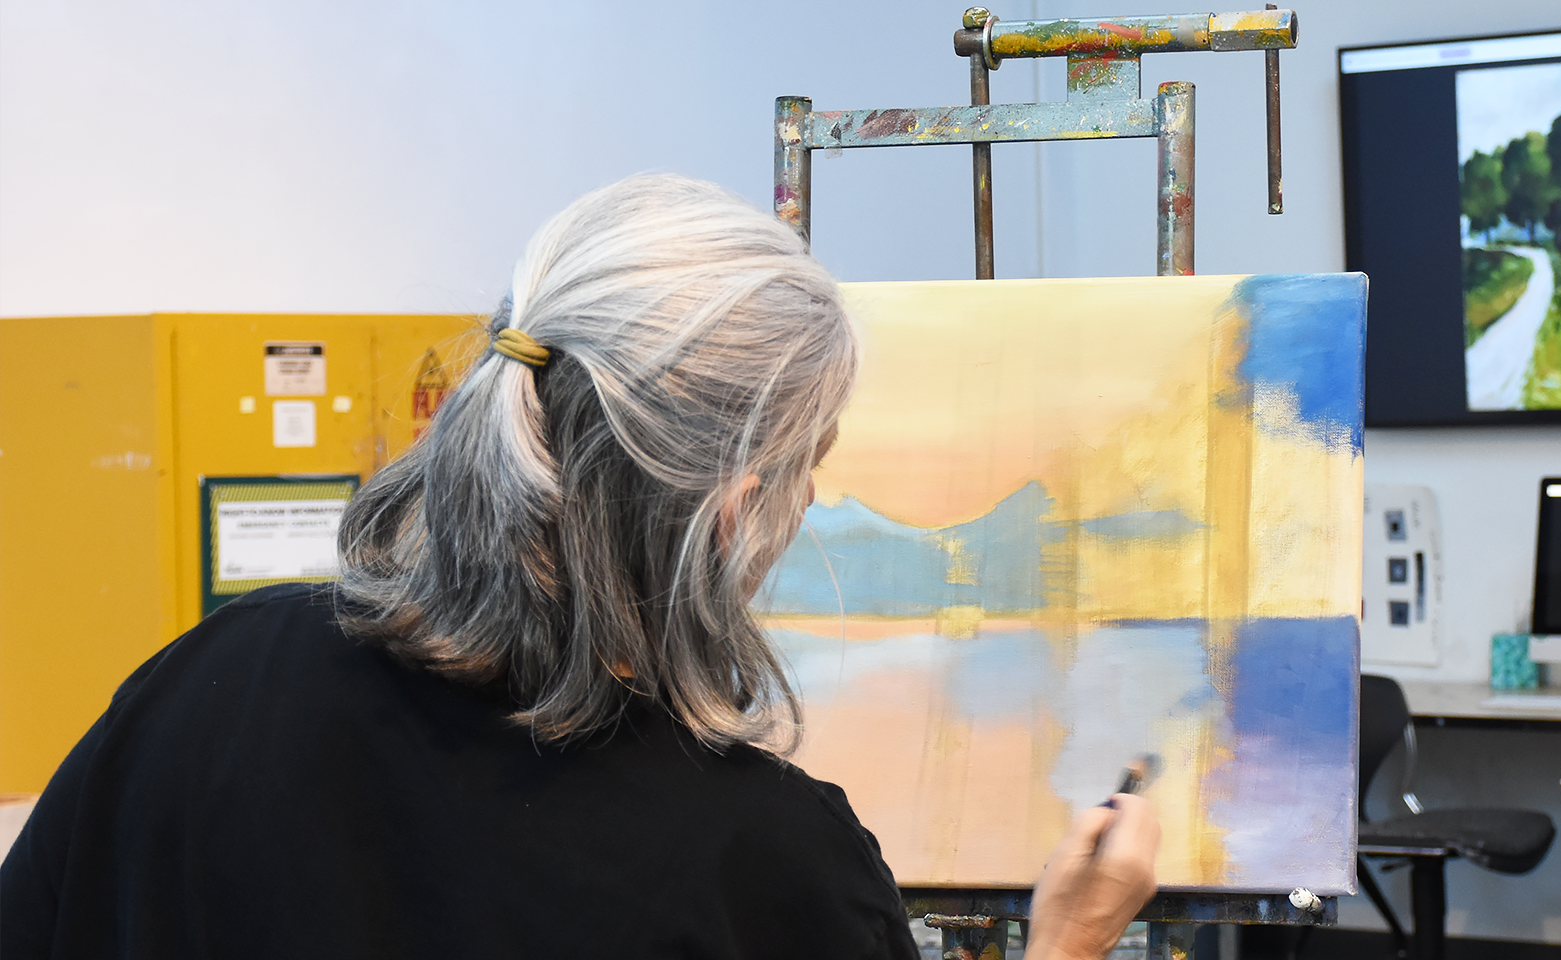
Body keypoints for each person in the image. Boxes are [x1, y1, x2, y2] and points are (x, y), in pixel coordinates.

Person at [0, 174, 1159, 959]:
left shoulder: (207, 687)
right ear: (733, 516)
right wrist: (1064, 945)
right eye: (813, 467)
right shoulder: (763, 871)